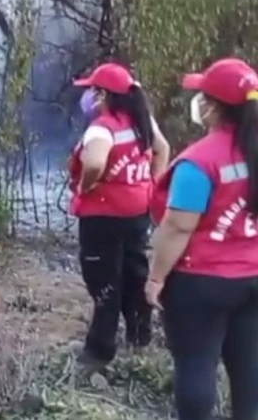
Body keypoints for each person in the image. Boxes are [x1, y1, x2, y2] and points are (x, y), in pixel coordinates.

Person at [147, 58, 258, 420]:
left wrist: (156, 278)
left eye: (202, 96)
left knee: (196, 365)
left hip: (201, 282)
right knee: (250, 370)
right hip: (252, 278)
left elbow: (178, 226)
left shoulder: (201, 161)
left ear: (212, 107)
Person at [69, 63, 170, 369]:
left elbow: (95, 164)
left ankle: (100, 350)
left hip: (103, 216)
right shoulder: (141, 121)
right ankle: (140, 336)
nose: (88, 97)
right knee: (134, 270)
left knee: (103, 280)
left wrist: (86, 188)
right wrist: (150, 184)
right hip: (137, 211)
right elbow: (163, 150)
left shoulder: (102, 127)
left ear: (102, 95)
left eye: (92, 91)